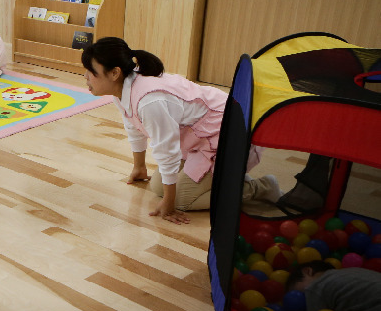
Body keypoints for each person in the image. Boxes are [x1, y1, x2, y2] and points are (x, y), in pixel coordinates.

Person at [81, 37, 281, 224]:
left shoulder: (149, 100)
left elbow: (167, 150)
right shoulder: (122, 89)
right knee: (158, 186)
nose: (86, 77)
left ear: (114, 73)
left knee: (180, 200)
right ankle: (227, 177)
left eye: (91, 71)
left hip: (232, 133)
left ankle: (261, 187)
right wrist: (139, 166)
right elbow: (134, 126)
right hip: (201, 139)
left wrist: (169, 205)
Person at [288, 260, 381, 311]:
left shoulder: (316, 286)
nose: (302, 299)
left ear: (307, 271)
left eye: (298, 293)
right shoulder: (353, 271)